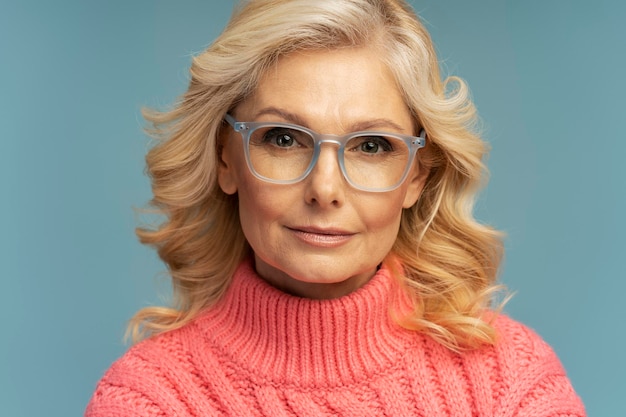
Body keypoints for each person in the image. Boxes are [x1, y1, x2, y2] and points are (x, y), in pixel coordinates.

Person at [86, 0, 585, 415]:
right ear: (226, 158)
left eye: (371, 146)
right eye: (283, 138)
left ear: (416, 175)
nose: (324, 189)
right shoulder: (150, 399)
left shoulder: (510, 383)